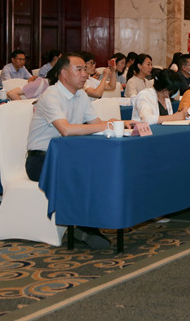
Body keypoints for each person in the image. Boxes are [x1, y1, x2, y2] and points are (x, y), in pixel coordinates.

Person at [25, 53, 130, 248]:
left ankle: (99, 219)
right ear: (63, 73)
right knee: (83, 173)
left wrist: (118, 123)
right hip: (42, 160)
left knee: (104, 167)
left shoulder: (81, 95)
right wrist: (105, 125)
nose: (85, 74)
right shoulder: (51, 96)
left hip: (69, 157)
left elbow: (96, 123)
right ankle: (84, 227)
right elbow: (66, 130)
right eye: (79, 69)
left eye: (85, 69)